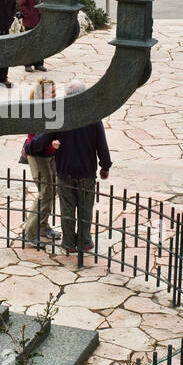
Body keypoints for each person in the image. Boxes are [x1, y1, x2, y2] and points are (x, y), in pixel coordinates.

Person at [29, 80, 111, 254]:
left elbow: (42, 139)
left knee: (67, 209)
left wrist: (29, 147)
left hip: (65, 173)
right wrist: (105, 167)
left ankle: (68, 242)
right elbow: (102, 147)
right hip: (86, 173)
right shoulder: (93, 117)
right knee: (85, 208)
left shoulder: (62, 117)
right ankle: (84, 241)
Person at [20, 78, 61, 246]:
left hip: (50, 154)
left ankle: (43, 226)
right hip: (38, 156)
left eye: (54, 90)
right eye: (51, 91)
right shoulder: (35, 110)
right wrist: (50, 142)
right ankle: (29, 233)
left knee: (53, 191)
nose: (54, 93)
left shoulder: (53, 107)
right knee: (46, 193)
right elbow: (36, 140)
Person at [18, 0, 47, 71]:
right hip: (30, 21)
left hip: (40, 20)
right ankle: (28, 64)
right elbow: (22, 4)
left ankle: (39, 64)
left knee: (40, 43)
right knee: (29, 43)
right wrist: (29, 15)